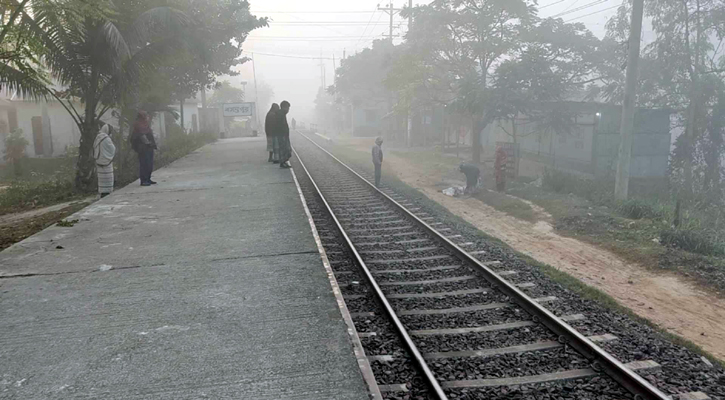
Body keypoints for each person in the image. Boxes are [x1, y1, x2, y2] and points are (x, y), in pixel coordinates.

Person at [131, 111, 158, 186]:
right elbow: (141, 136)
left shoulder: (145, 125)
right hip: (143, 148)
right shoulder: (139, 125)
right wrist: (148, 143)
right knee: (144, 164)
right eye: (146, 116)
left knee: (149, 164)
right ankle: (144, 180)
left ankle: (148, 179)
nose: (148, 117)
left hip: (149, 147)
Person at [94, 124, 116, 198]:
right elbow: (112, 149)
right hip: (107, 161)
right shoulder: (106, 138)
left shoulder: (98, 137)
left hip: (99, 160)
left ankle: (102, 193)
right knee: (108, 178)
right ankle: (107, 193)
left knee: (102, 179)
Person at [277, 100, 292, 169]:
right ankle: (282, 162)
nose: (288, 110)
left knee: (286, 149)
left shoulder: (282, 114)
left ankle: (284, 162)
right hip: (282, 134)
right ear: (284, 107)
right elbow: (281, 125)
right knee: (284, 148)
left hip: (283, 134)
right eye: (288, 108)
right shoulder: (280, 114)